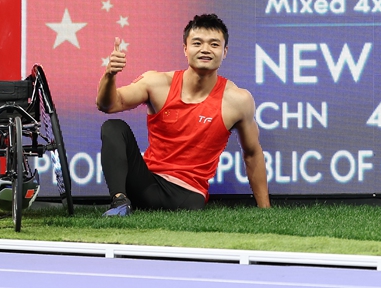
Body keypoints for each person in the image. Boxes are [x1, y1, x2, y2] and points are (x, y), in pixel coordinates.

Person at [96, 14, 270, 215]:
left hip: (188, 196)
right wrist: (110, 74)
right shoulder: (157, 83)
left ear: (225, 52)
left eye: (214, 44)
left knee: (190, 198)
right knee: (113, 127)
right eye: (197, 43)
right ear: (185, 49)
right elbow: (107, 105)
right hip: (146, 186)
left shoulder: (238, 100)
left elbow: (252, 153)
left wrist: (265, 209)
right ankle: (119, 203)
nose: (205, 49)